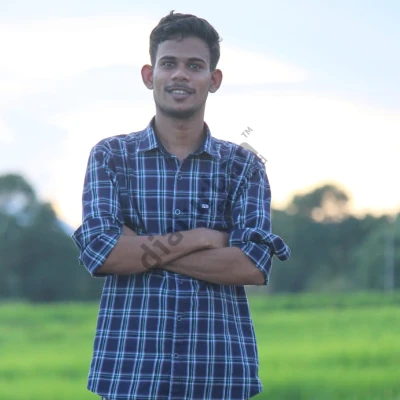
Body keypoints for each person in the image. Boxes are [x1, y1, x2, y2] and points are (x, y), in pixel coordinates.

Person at [72, 10, 290, 400]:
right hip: (129, 373)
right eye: (169, 63)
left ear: (214, 79)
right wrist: (203, 237)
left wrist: (137, 245)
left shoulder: (243, 166)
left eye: (194, 66)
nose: (180, 75)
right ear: (149, 75)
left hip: (219, 376)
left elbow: (252, 266)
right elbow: (101, 255)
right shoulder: (111, 157)